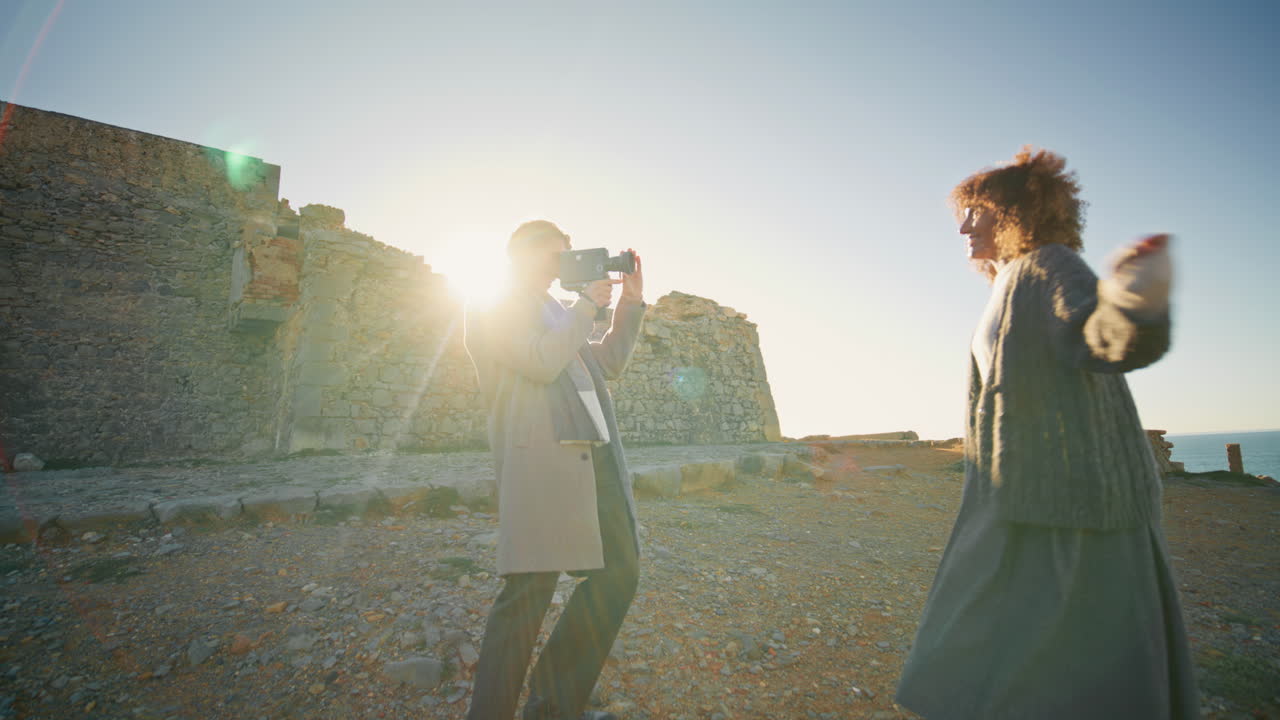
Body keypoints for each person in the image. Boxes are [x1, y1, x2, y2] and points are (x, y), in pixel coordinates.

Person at [894, 148, 1198, 719]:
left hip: (1078, 507)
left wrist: (1137, 292)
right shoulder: (1006, 283)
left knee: (1076, 671)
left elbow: (1104, 335)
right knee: (997, 652)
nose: (962, 226)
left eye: (976, 211)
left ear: (1016, 212)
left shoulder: (1048, 265)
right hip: (1017, 499)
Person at [463, 220, 646, 720]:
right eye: (555, 254)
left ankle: (554, 705)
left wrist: (629, 302)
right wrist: (587, 305)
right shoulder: (493, 305)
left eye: (568, 253)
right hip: (542, 463)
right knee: (528, 593)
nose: (564, 262)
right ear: (520, 254)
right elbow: (542, 359)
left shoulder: (557, 310)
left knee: (620, 573)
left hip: (594, 458)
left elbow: (606, 363)